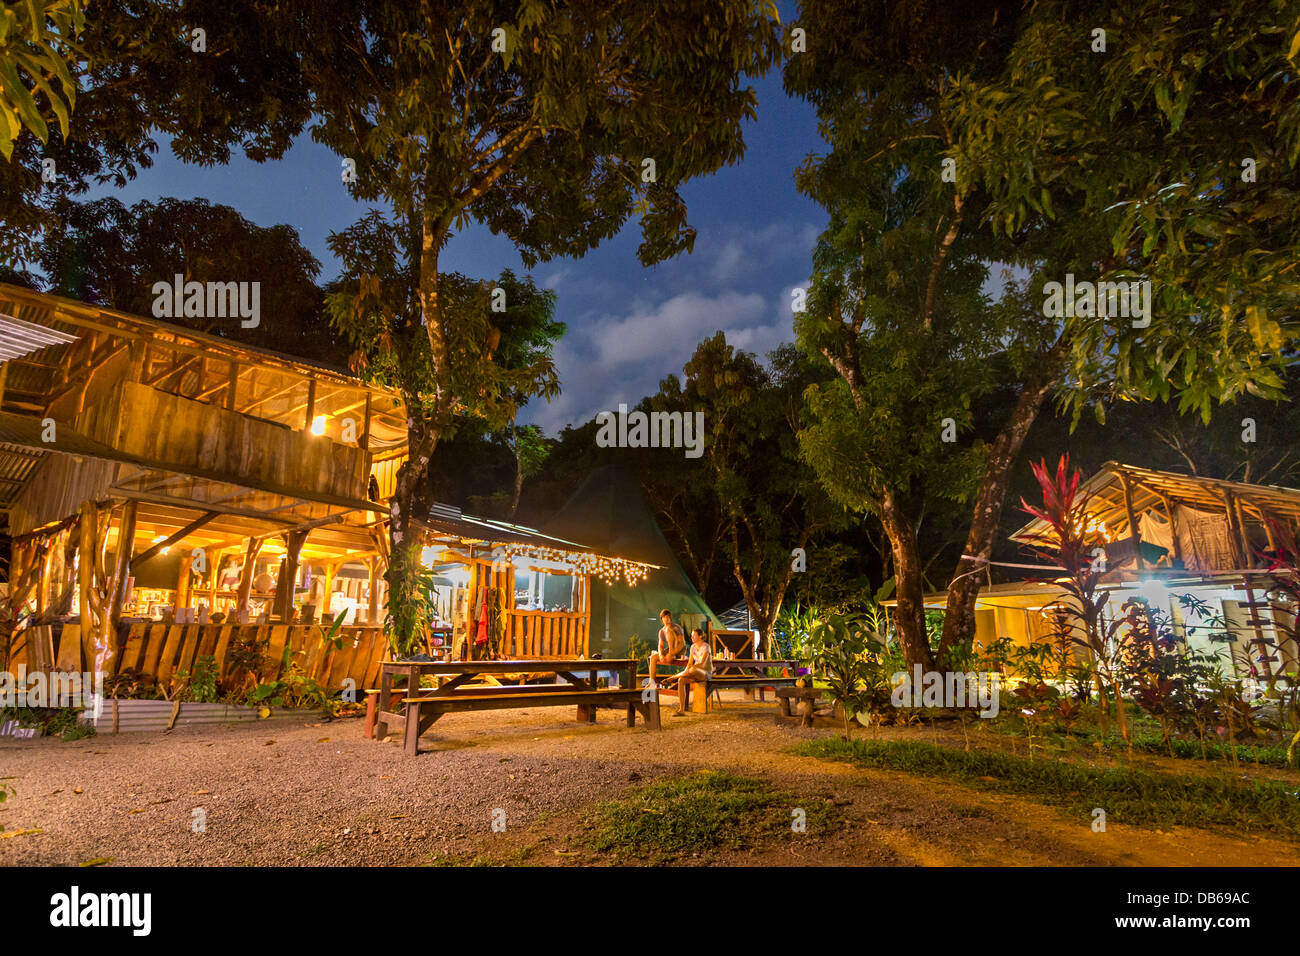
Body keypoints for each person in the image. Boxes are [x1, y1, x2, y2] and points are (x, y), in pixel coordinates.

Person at [674, 627, 713, 716]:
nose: (691, 637)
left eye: (694, 635)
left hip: (705, 673)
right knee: (681, 680)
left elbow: (702, 664)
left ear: (700, 636)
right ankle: (681, 709)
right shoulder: (692, 647)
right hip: (694, 673)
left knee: (693, 669)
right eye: (691, 636)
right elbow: (689, 663)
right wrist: (686, 671)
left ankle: (674, 677)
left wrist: (691, 669)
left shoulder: (706, 647)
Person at [646, 608, 685, 685]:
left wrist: (672, 654)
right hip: (669, 650)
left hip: (679, 650)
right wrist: (661, 655)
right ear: (661, 619)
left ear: (670, 618)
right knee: (653, 658)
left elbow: (682, 644)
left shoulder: (676, 627)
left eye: (667, 617)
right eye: (664, 617)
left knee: (669, 631)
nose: (666, 619)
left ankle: (671, 654)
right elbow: (660, 645)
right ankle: (651, 683)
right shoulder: (661, 631)